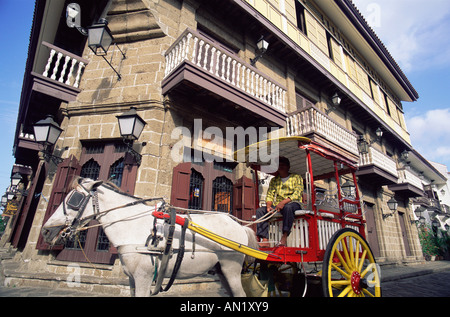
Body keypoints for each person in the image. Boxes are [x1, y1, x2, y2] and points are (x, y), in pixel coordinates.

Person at [256, 157, 303, 247]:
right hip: (278, 206)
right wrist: (269, 206)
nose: (280, 167)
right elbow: (270, 194)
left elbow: (297, 194)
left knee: (288, 207)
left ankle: (284, 236)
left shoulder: (296, 177)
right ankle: (265, 239)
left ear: (288, 167)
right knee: (260, 211)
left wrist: (283, 202)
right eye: (279, 165)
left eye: (283, 165)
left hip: (294, 203)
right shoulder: (274, 180)